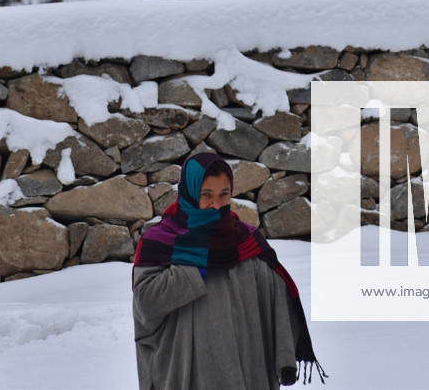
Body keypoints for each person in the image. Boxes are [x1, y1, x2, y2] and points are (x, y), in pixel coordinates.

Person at [132, 151, 328, 389]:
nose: (216, 204)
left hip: (248, 365)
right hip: (189, 369)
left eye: (224, 194)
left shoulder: (245, 239)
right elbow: (146, 301)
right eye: (206, 195)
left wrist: (284, 354)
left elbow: (275, 294)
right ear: (190, 192)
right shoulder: (161, 240)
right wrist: (200, 265)